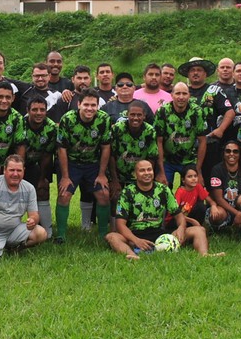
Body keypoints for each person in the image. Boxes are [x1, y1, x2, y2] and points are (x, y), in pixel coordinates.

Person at [106, 160, 218, 259]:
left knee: (199, 230)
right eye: (142, 170)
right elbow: (120, 225)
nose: (147, 173)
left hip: (160, 234)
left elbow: (178, 215)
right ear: (135, 174)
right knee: (111, 237)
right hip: (135, 234)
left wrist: (181, 228)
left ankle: (204, 255)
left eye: (149, 170)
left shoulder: (163, 190)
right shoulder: (127, 192)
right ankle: (132, 256)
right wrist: (136, 240)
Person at [55, 90, 113, 242]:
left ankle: (103, 234)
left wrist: (102, 174)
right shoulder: (68, 119)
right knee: (64, 195)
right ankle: (61, 235)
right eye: (86, 104)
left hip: (93, 164)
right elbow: (62, 149)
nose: (89, 108)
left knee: (104, 194)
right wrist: (65, 177)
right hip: (71, 163)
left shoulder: (104, 119)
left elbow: (106, 147)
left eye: (93, 105)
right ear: (79, 104)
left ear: (98, 106)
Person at [0, 155, 48, 262]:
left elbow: (34, 214)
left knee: (41, 233)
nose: (15, 174)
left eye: (19, 170)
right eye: (12, 170)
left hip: (14, 231)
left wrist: (33, 220)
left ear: (24, 171)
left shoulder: (29, 188)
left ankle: (13, 248)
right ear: (4, 170)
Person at [154, 82, 207, 189]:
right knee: (163, 190)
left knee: (193, 191)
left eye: (184, 93)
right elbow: (158, 142)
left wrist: (198, 170)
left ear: (189, 95)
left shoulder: (197, 112)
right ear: (172, 95)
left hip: (189, 159)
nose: (181, 97)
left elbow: (202, 141)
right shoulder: (162, 112)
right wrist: (161, 171)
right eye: (178, 93)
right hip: (167, 160)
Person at [108, 100, 157, 209]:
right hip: (119, 172)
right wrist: (114, 180)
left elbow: (152, 157)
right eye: (132, 114)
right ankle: (116, 219)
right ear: (127, 114)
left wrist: (146, 177)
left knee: (140, 198)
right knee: (116, 197)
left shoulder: (150, 131)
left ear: (144, 116)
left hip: (139, 173)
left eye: (139, 115)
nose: (135, 118)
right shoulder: (117, 129)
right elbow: (111, 155)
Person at [23, 96, 59, 238]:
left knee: (42, 190)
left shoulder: (51, 127)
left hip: (37, 164)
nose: (38, 113)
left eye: (42, 110)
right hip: (18, 164)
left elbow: (47, 155)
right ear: (28, 110)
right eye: (35, 110)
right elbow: (18, 150)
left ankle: (47, 231)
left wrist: (42, 178)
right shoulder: (20, 124)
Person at [208, 140, 241, 234]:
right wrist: (237, 213)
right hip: (224, 208)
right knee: (217, 215)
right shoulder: (217, 170)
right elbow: (219, 199)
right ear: (223, 153)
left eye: (235, 151)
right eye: (228, 151)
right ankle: (220, 229)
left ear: (240, 154)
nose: (231, 154)